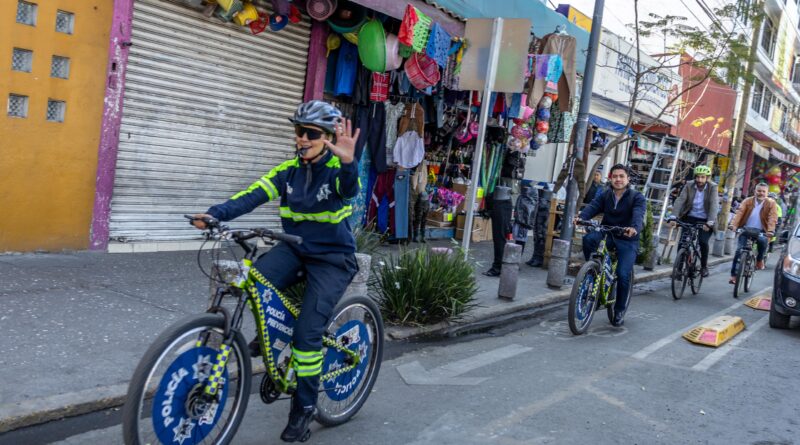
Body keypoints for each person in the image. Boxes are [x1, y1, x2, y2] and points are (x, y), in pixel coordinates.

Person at [191, 100, 360, 443]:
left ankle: (304, 408)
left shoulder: (336, 172)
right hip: (295, 248)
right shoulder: (288, 172)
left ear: (328, 137)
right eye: (298, 131)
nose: (301, 138)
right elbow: (251, 195)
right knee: (254, 282)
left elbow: (349, 189)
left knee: (307, 338)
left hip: (332, 259)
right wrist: (215, 214)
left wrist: (348, 162)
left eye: (310, 133)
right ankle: (272, 336)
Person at [576, 164, 646, 327]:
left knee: (622, 274)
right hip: (608, 232)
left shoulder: (636, 197)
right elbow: (593, 207)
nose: (618, 179)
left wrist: (634, 228)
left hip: (627, 238)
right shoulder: (605, 194)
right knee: (589, 239)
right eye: (615, 176)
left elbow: (638, 214)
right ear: (610, 178)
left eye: (621, 176)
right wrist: (581, 217)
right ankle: (593, 270)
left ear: (628, 179)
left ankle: (620, 309)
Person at [668, 165, 718, 277]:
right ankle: (678, 270)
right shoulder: (689, 185)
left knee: (703, 242)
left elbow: (714, 205)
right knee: (682, 243)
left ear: (707, 178)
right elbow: (680, 200)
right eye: (698, 177)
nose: (699, 180)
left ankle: (704, 266)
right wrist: (673, 216)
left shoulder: (712, 187)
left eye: (702, 177)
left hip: (706, 220)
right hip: (690, 217)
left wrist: (710, 223)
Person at [727, 183, 778, 284]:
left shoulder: (771, 203)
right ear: (755, 191)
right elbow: (739, 213)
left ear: (767, 193)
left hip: (762, 231)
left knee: (763, 243)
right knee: (739, 251)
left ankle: (759, 260)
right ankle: (734, 275)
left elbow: (773, 218)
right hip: (746, 229)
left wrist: (770, 231)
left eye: (764, 191)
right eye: (759, 191)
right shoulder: (747, 201)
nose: (761, 193)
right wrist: (733, 225)